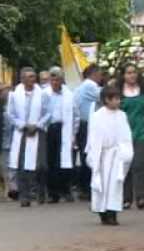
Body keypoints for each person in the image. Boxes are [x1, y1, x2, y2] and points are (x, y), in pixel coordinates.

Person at [86, 86, 134, 225]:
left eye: (119, 98)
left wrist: (125, 153)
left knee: (115, 184)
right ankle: (102, 211)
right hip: (102, 155)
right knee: (102, 183)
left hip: (117, 155)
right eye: (116, 99)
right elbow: (94, 137)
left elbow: (126, 136)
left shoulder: (122, 115)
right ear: (107, 100)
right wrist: (94, 156)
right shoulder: (97, 116)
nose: (119, 101)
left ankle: (112, 212)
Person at [8, 67, 50, 207]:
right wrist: (23, 125)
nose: (33, 79)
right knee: (22, 166)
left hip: (38, 132)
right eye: (30, 77)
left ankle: (40, 191)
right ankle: (24, 196)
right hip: (22, 133)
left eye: (34, 76)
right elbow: (10, 114)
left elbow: (48, 113)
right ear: (23, 79)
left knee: (41, 165)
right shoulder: (15, 95)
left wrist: (37, 125)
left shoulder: (42, 94)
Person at [117, 63, 144, 210]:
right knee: (126, 164)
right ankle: (126, 198)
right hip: (123, 133)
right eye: (128, 73)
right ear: (123, 75)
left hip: (141, 131)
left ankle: (141, 197)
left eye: (134, 72)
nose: (132, 75)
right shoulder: (118, 91)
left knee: (139, 164)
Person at [44, 67, 78, 203]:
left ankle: (65, 190)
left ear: (61, 79)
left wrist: (74, 133)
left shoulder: (69, 94)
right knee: (51, 161)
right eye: (52, 78)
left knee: (64, 161)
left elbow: (76, 114)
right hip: (49, 129)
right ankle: (53, 193)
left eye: (57, 78)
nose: (55, 81)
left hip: (65, 129)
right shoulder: (44, 94)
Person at [73, 64, 104, 199]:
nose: (101, 77)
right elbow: (104, 96)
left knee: (85, 154)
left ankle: (84, 187)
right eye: (100, 74)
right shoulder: (90, 86)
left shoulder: (82, 86)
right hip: (87, 124)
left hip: (83, 124)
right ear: (94, 74)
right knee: (89, 154)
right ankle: (86, 188)